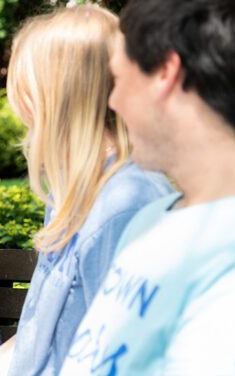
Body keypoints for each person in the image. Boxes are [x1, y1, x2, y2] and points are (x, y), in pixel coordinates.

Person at [0, 6, 172, 376]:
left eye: (25, 91)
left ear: (56, 96)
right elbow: (34, 339)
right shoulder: (69, 197)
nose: (19, 109)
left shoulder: (127, 204)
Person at [59, 0, 235, 374]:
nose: (112, 101)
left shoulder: (224, 255)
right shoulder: (153, 218)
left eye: (119, 80)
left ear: (165, 73)